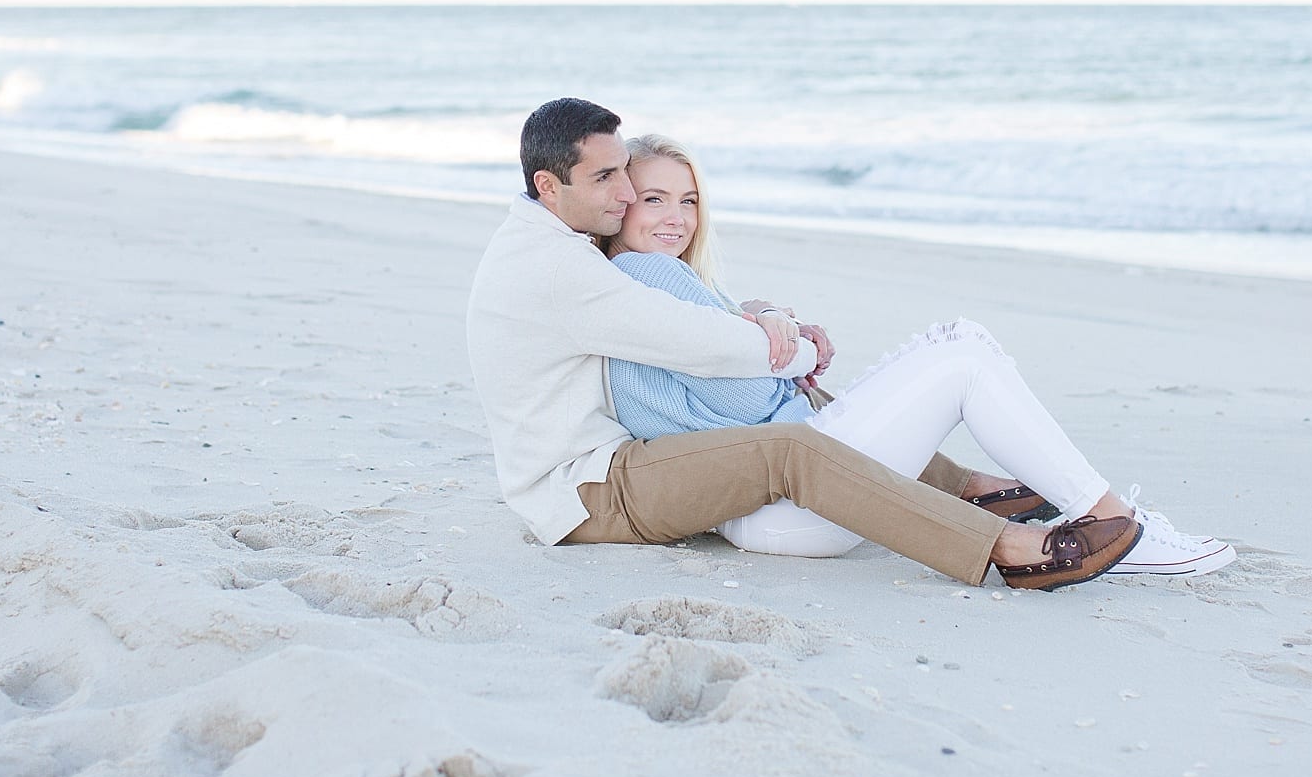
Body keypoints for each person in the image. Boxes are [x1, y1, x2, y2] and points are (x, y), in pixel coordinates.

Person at [469, 97, 1144, 591]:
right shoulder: (565, 269)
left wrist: (759, 313)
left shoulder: (556, 244)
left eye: (628, 176)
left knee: (795, 427)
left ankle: (972, 489)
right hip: (584, 489)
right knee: (790, 441)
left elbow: (689, 321)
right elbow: (698, 343)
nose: (625, 195)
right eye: (609, 181)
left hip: (605, 468)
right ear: (547, 187)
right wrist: (793, 352)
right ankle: (1003, 544)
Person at [600, 132, 1236, 576]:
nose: (676, 218)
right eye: (654, 199)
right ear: (622, 204)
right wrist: (779, 344)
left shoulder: (642, 288)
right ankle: (1119, 528)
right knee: (961, 352)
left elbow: (718, 390)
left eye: (688, 200)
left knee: (961, 354)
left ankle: (1100, 516)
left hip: (775, 510)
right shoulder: (652, 276)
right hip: (785, 506)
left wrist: (761, 324)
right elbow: (740, 395)